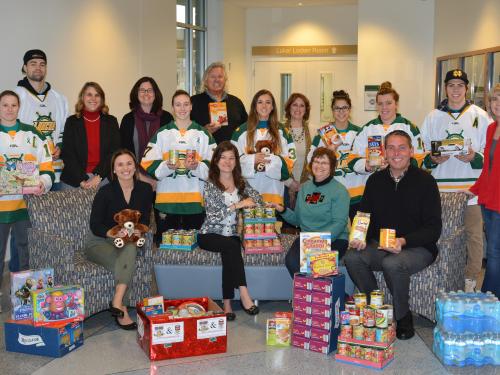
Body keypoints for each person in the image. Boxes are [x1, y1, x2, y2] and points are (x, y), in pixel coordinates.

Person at [344, 130, 442, 340]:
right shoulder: (375, 181)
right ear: (384, 152)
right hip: (381, 245)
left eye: (402, 147)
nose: (396, 153)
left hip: (418, 247)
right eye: (391, 148)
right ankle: (377, 308)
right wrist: (360, 237)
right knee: (352, 257)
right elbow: (366, 216)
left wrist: (404, 241)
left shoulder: (426, 182)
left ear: (411, 152)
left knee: (393, 263)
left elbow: (434, 228)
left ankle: (403, 316)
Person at [421, 69, 490, 293]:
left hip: (471, 188)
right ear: (445, 88)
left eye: (460, 85)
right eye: (451, 85)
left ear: (467, 88)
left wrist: (474, 157)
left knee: (473, 237)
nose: (456, 89)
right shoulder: (433, 117)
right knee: (441, 235)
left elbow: (490, 154)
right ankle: (442, 279)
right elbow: (421, 155)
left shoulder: (480, 115)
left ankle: (470, 281)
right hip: (440, 189)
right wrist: (432, 159)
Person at [268, 147, 354, 295]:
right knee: (292, 261)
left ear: (332, 167)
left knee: (316, 263)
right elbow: (298, 220)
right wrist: (282, 210)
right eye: (316, 161)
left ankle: (326, 299)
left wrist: (320, 241)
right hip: (307, 238)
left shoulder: (339, 190)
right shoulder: (305, 188)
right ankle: (320, 299)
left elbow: (339, 223)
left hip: (335, 238)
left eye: (324, 163)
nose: (319, 165)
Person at [85, 149, 153, 329]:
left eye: (129, 163)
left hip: (127, 242)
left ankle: (117, 301)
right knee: (126, 261)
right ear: (113, 170)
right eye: (120, 165)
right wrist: (114, 233)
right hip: (99, 242)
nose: (125, 168)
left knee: (130, 248)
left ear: (135, 166)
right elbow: (95, 224)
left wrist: (139, 230)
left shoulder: (145, 189)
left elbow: (145, 219)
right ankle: (121, 305)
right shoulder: (105, 191)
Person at [0, 90, 54, 310]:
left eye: (14, 105)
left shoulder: (32, 133)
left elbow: (47, 163)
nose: (10, 109)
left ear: (19, 107)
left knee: (25, 250)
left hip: (26, 204)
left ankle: (24, 297)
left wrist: (43, 182)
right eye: (5, 105)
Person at [198, 141, 262, 320]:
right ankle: (244, 294)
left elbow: (258, 199)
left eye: (231, 158)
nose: (227, 162)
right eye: (223, 157)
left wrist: (262, 204)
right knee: (232, 247)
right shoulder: (210, 184)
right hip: (209, 234)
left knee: (231, 248)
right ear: (216, 161)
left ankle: (227, 304)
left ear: (236, 162)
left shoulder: (241, 182)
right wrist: (238, 204)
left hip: (231, 235)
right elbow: (212, 216)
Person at [141, 90, 216, 230]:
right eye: (178, 104)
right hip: (167, 200)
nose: (182, 108)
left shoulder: (204, 134)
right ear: (172, 107)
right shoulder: (162, 133)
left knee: (193, 248)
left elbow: (215, 165)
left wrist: (197, 167)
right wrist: (166, 166)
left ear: (191, 106)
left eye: (186, 104)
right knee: (166, 248)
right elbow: (147, 162)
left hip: (194, 200)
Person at [349, 82, 425, 202]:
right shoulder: (367, 129)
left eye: (388, 103)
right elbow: (351, 158)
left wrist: (397, 167)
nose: (384, 107)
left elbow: (420, 157)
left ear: (396, 104)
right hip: (374, 189)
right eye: (380, 104)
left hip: (403, 188)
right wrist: (366, 165)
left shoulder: (409, 127)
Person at [120, 77, 173, 244]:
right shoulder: (128, 119)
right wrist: (142, 177)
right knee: (138, 223)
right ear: (136, 94)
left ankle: (162, 259)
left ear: (155, 93)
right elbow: (124, 153)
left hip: (163, 178)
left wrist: (158, 177)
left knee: (164, 225)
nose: (146, 93)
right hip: (136, 178)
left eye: (149, 90)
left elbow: (172, 150)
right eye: (142, 90)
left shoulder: (167, 118)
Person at [231, 89, 296, 206]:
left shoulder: (283, 132)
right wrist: (252, 160)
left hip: (274, 191)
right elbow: (231, 162)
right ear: (254, 106)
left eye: (268, 102)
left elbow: (290, 163)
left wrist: (271, 160)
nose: (264, 106)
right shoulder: (240, 131)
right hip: (248, 192)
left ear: (272, 107)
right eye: (260, 102)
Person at [15, 49, 69, 190]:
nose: (38, 67)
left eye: (42, 64)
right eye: (33, 64)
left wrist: (60, 148)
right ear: (25, 67)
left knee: (56, 212)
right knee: (29, 212)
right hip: (25, 171)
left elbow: (65, 129)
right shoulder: (15, 97)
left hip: (55, 171)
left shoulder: (60, 99)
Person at [308, 90, 363, 220]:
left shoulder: (360, 132)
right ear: (332, 111)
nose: (341, 111)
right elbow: (310, 160)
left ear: (350, 110)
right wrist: (329, 151)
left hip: (356, 194)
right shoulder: (323, 134)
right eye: (337, 108)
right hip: (331, 194)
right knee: (333, 235)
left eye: (344, 108)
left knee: (356, 237)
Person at [469, 84, 500, 298]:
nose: (498, 104)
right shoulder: (491, 129)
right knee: (494, 251)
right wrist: (474, 189)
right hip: (488, 200)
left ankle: (489, 295)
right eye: (495, 99)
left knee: (494, 252)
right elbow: (487, 169)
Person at [60, 82, 121, 189]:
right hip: (75, 179)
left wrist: (98, 176)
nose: (93, 98)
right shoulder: (72, 122)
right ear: (82, 97)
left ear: (102, 99)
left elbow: (114, 152)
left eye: (97, 95)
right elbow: (68, 154)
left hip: (104, 177)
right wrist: (81, 180)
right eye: (89, 94)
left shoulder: (111, 122)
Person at [191, 62, 248, 144]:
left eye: (220, 77)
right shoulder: (194, 102)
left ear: (225, 80)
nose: (217, 80)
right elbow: (185, 132)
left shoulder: (236, 102)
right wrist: (203, 131)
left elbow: (246, 128)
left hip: (232, 153)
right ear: (206, 81)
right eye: (213, 77)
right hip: (205, 153)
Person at [283, 93, 312, 211]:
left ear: (306, 110)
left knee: (306, 222)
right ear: (289, 108)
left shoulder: (313, 130)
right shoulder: (279, 130)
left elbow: (315, 159)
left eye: (302, 106)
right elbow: (275, 160)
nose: (298, 109)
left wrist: (306, 182)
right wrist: (289, 182)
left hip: (307, 185)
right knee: (287, 224)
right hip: (284, 185)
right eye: (295, 105)